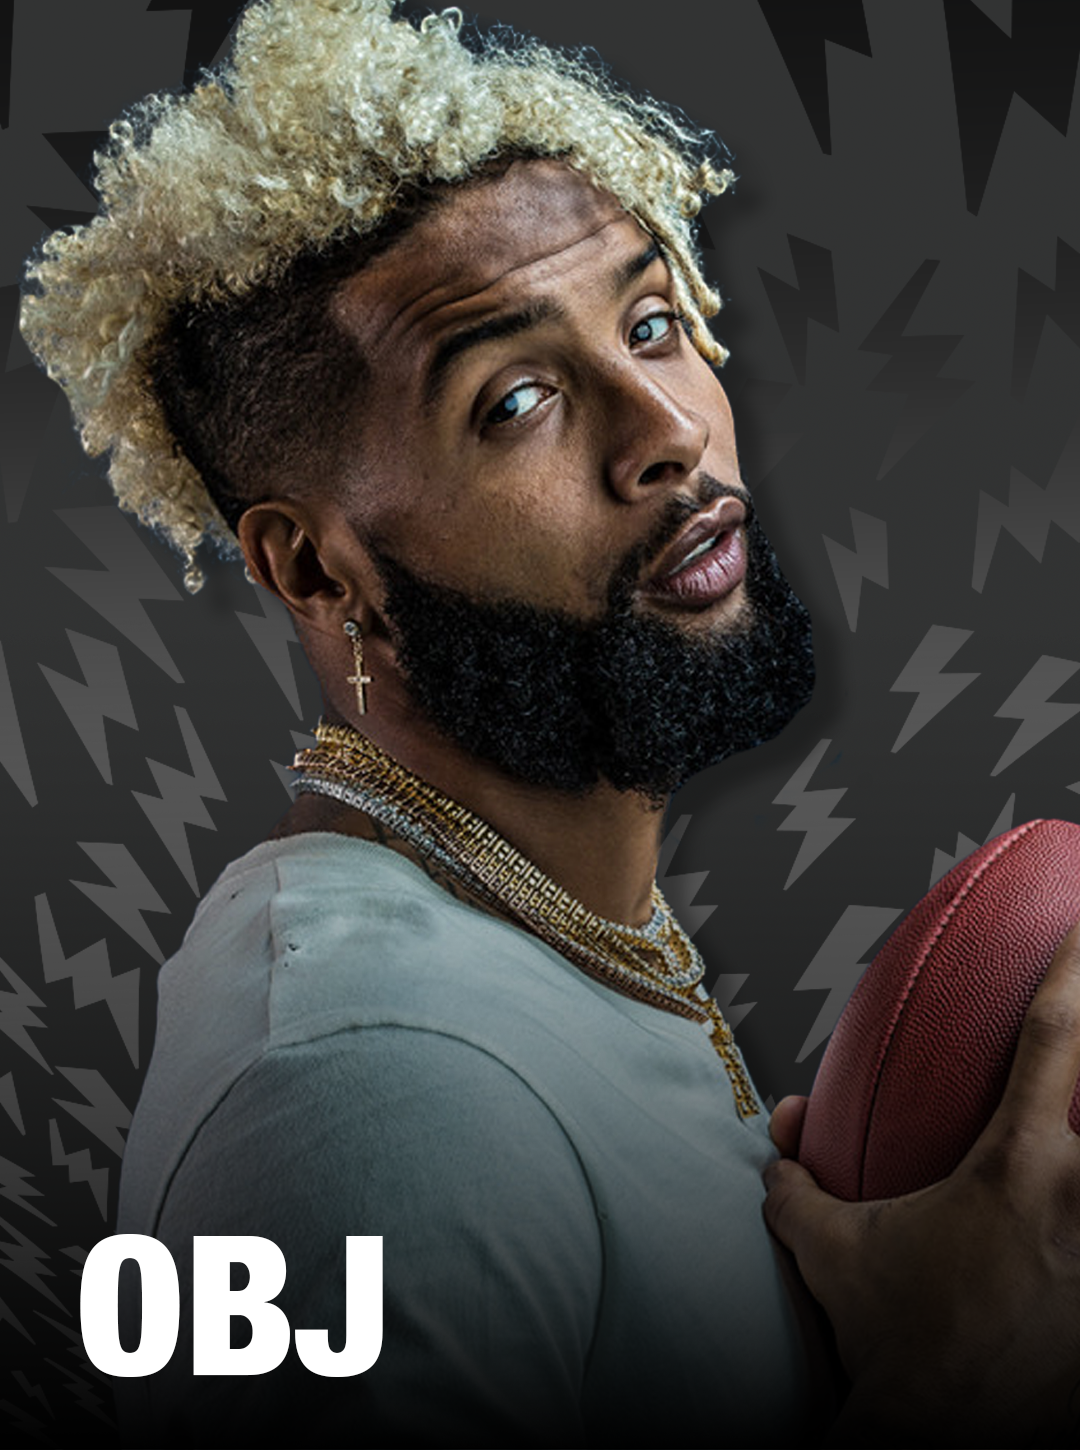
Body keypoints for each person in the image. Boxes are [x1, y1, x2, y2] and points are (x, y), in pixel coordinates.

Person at [20, 2, 1080, 1446]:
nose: (667, 429)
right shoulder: (352, 1095)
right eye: (516, 400)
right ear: (316, 567)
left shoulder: (524, 927)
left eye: (654, 323)